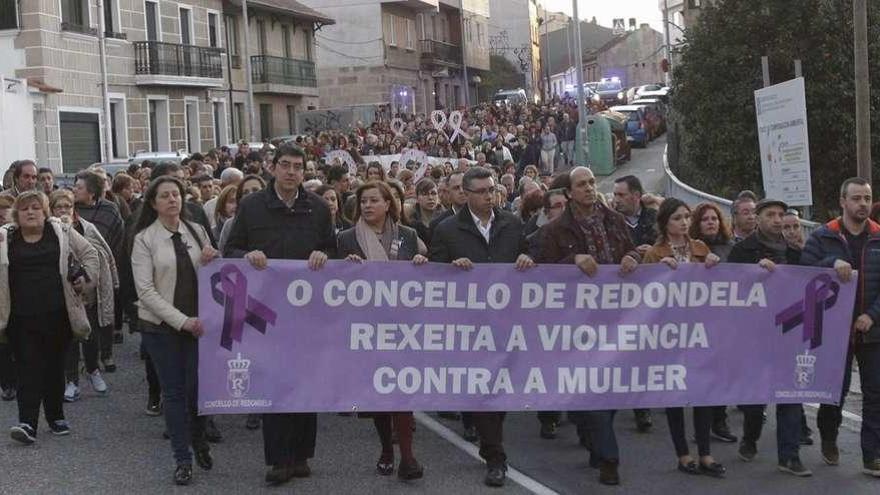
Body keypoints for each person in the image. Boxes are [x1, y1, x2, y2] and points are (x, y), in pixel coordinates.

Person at [225, 144, 335, 486]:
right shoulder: (252, 206)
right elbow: (231, 250)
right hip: (265, 311)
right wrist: (249, 254)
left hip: (306, 312)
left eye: (298, 166)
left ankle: (302, 456)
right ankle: (279, 460)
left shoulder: (317, 208)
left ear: (305, 171)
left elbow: (332, 249)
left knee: (305, 383)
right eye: (285, 165)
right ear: (273, 167)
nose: (291, 171)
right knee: (274, 383)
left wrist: (323, 254)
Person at [429, 166, 536, 487]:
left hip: (506, 324)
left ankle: (484, 430)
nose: (491, 196)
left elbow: (526, 257)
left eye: (493, 190)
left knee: (500, 391)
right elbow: (433, 277)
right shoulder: (447, 230)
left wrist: (527, 261)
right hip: (469, 328)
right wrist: (450, 268)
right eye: (483, 191)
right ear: (466, 194)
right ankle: (495, 457)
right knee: (486, 391)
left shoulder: (511, 224)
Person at [536, 166, 640, 486]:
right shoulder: (554, 232)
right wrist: (573, 262)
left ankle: (596, 440)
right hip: (577, 323)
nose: (589, 188)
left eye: (592, 183)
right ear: (568, 193)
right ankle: (609, 457)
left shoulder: (615, 221)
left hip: (615, 318)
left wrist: (634, 256)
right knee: (594, 389)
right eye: (582, 184)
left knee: (608, 390)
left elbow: (633, 249)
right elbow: (545, 275)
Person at [131, 176, 218, 485]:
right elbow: (146, 291)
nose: (173, 200)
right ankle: (183, 459)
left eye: (176, 194)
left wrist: (210, 259)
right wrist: (182, 321)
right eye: (165, 196)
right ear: (153, 203)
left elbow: (214, 276)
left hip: (199, 324)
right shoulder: (144, 239)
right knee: (175, 393)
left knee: (199, 389)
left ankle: (199, 438)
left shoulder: (197, 230)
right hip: (161, 328)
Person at [337, 181, 426, 481]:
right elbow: (333, 286)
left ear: (389, 204)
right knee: (377, 394)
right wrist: (345, 269)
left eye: (374, 200)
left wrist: (420, 263)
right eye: (363, 201)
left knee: (401, 390)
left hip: (403, 327)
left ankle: (409, 457)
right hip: (365, 327)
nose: (367, 206)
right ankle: (386, 448)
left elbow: (423, 281)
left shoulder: (409, 236)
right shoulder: (347, 239)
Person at [1, 191, 98, 444]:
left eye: (36, 208)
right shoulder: (5, 238)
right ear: (16, 215)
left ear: (45, 212)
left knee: (54, 368)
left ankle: (56, 417)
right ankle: (27, 423)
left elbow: (90, 254)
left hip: (58, 314)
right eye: (24, 209)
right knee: (27, 368)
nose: (30, 213)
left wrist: (84, 279)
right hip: (20, 318)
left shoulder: (61, 233)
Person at [801, 177, 880, 477]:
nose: (863, 203)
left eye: (867, 198)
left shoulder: (878, 236)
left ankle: (871, 455)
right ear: (843, 201)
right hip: (834, 331)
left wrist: (872, 315)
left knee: (875, 394)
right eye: (857, 198)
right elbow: (804, 269)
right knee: (835, 391)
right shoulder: (824, 235)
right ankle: (829, 435)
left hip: (872, 330)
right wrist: (831, 262)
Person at [642, 198, 726, 478]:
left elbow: (717, 289)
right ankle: (683, 454)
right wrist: (656, 272)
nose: (684, 222)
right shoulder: (655, 253)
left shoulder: (700, 248)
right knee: (675, 394)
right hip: (669, 334)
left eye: (687, 217)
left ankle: (705, 453)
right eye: (678, 218)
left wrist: (714, 264)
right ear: (665, 222)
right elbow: (642, 294)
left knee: (702, 392)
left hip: (699, 331)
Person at [728, 198, 810, 476]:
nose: (777, 220)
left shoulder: (797, 252)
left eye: (780, 215)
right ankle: (750, 438)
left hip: (788, 334)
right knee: (755, 399)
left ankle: (789, 456)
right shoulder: (742, 251)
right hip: (754, 337)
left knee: (790, 393)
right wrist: (755, 275)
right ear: (758, 219)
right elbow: (730, 291)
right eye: (771, 215)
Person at [49, 190, 117, 402]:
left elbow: (104, 255)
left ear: (74, 209)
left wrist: (111, 280)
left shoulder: (88, 228)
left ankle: (93, 369)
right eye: (58, 207)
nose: (63, 211)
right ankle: (72, 380)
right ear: (51, 210)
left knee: (90, 334)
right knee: (69, 337)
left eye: (67, 207)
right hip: (63, 293)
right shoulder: (50, 230)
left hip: (88, 291)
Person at [687, 202, 738, 443]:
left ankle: (719, 419)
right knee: (703, 375)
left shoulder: (731, 248)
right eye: (705, 219)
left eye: (714, 218)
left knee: (722, 374)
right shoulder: (690, 249)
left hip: (725, 322)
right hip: (698, 322)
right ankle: (702, 425)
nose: (711, 222)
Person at [612, 175, 656, 432]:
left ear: (636, 196)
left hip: (649, 297)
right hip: (619, 296)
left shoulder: (655, 219)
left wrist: (653, 251)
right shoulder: (609, 221)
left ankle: (642, 406)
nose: (615, 200)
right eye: (614, 195)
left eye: (621, 195)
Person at [73, 170, 124, 373]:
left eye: (79, 187)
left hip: (103, 270)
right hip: (77, 271)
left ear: (92, 192)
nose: (75, 190)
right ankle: (87, 358)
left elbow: (118, 238)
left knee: (105, 313)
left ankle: (107, 354)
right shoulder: (72, 210)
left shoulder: (110, 210)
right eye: (75, 186)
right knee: (85, 315)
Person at [406, 178, 441, 245]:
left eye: (433, 193)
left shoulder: (446, 219)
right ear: (417, 198)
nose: (430, 197)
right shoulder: (411, 223)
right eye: (425, 194)